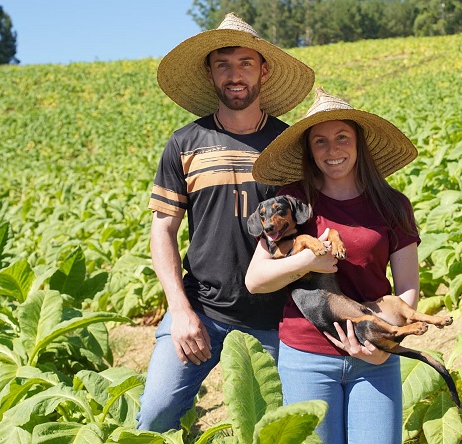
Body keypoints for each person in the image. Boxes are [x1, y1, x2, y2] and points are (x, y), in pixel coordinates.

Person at [137, 13, 314, 433]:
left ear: (263, 70)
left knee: (278, 432)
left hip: (276, 316)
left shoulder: (288, 144)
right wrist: (180, 311)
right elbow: (162, 230)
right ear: (210, 73)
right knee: (154, 417)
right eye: (223, 64)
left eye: (245, 63)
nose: (235, 75)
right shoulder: (184, 143)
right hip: (202, 310)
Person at [246, 87, 420, 444]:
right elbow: (256, 279)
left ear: (359, 145)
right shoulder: (291, 203)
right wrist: (308, 260)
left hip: (374, 359)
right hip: (307, 356)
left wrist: (381, 343)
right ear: (309, 152)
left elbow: (407, 286)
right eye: (320, 141)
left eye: (342, 137)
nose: (332, 149)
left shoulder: (393, 204)